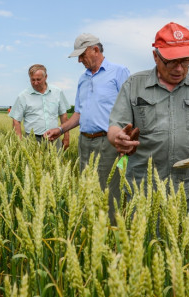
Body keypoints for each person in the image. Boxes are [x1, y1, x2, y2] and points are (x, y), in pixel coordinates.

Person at [107, 22, 189, 239]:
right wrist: (119, 138)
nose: (179, 68)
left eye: (185, 61)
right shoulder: (134, 84)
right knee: (145, 248)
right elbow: (115, 125)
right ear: (156, 56)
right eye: (172, 61)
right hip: (144, 185)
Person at [44, 33, 130, 222]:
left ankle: (110, 234)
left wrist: (125, 144)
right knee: (87, 190)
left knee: (109, 193)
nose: (80, 61)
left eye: (82, 56)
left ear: (95, 50)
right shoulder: (83, 79)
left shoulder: (119, 72)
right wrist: (60, 130)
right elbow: (79, 114)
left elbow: (130, 108)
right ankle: (91, 232)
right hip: (84, 142)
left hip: (108, 142)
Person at [9, 64, 70, 149]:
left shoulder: (57, 92)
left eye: (38, 79)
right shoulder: (23, 96)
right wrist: (20, 142)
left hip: (54, 138)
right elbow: (16, 120)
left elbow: (63, 115)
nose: (35, 83)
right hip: (32, 139)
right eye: (32, 80)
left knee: (56, 162)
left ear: (46, 77)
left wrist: (66, 137)